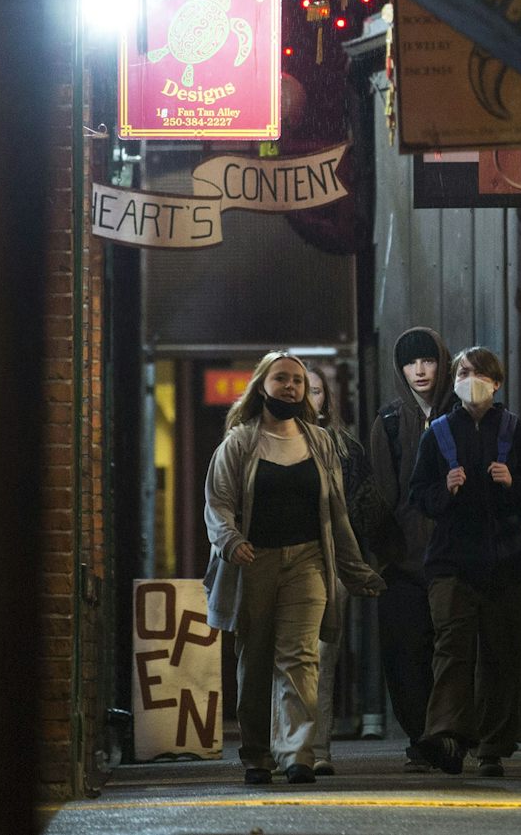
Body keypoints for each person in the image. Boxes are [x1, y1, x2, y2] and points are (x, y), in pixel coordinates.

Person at [204, 351, 385, 786]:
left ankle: (296, 753)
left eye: (297, 381)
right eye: (281, 378)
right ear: (261, 387)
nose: (290, 386)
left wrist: (354, 568)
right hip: (256, 561)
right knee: (256, 657)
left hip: (308, 560)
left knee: (300, 656)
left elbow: (337, 511)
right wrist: (232, 541)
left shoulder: (319, 442)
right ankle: (257, 754)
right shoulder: (240, 442)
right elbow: (219, 503)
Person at [407, 346, 521, 778]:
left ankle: (493, 746)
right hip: (451, 559)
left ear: (496, 382)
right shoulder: (437, 433)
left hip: (506, 560)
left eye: (477, 372)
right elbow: (418, 494)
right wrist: (445, 489)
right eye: (462, 371)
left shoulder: (518, 431)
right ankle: (447, 739)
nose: (468, 378)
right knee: (451, 649)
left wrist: (516, 484)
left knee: (501, 654)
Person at [366, 325, 451, 771]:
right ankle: (422, 738)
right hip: (402, 560)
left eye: (428, 360)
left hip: (455, 557)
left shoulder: (462, 412)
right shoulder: (391, 421)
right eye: (410, 363)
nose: (419, 370)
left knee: (451, 655)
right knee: (405, 656)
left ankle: (447, 738)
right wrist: (382, 558)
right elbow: (380, 494)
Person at [305, 363, 383, 776]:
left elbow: (367, 508)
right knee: (284, 657)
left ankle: (317, 748)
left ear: (326, 398)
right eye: (300, 387)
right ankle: (283, 746)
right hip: (280, 562)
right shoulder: (259, 442)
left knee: (322, 656)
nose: (307, 396)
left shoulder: (345, 448)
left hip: (333, 563)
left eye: (315, 389)